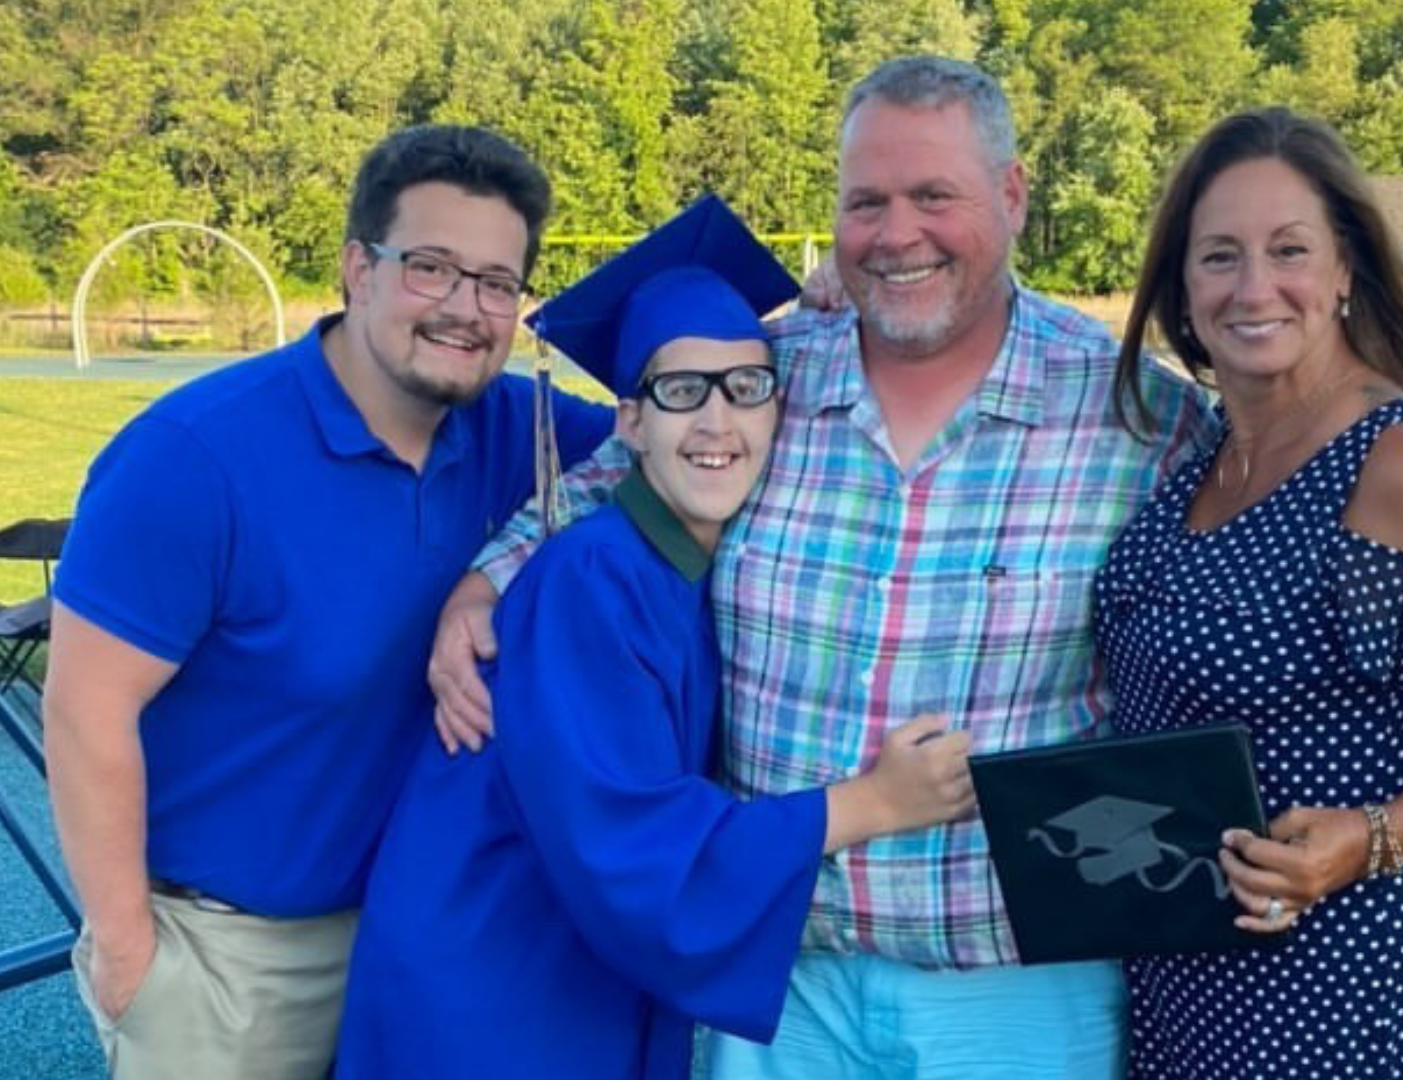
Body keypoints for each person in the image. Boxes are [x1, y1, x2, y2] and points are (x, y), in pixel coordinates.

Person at [430, 57, 1213, 1078]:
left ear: (1013, 195)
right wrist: (481, 582)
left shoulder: (1141, 422)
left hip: (1013, 993)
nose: (897, 235)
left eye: (936, 196)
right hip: (778, 987)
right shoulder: (757, 379)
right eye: (866, 203)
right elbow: (594, 490)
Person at [333, 194, 978, 1080]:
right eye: (680, 392)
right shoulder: (593, 580)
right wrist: (874, 805)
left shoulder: (687, 568)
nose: (717, 423)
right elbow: (630, 844)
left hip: (567, 963)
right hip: (496, 984)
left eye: (746, 388)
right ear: (629, 423)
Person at [42, 125, 613, 1080]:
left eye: (497, 283)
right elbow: (84, 708)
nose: (466, 309)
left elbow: (695, 419)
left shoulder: (525, 432)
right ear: (357, 267)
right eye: (431, 268)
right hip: (232, 959)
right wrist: (128, 951)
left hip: (420, 937)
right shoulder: (196, 457)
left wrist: (818, 319)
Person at [1096, 106, 1403, 1078]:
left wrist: (1370, 840)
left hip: (1342, 979)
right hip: (1186, 971)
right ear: (1181, 286)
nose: (1253, 287)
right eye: (1218, 257)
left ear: (1343, 271)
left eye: (1289, 249)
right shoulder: (1204, 446)